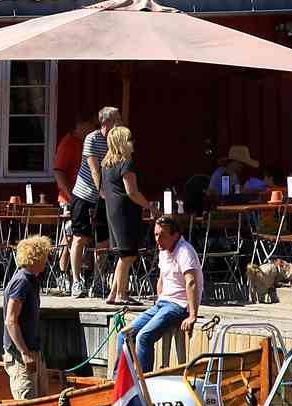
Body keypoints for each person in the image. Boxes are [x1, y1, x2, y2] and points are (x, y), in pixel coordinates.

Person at [128, 214, 201, 372]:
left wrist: (192, 315)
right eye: (155, 234)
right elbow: (162, 279)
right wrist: (159, 299)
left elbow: (192, 282)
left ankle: (144, 381)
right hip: (163, 303)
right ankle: (119, 382)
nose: (157, 240)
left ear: (175, 235)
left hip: (178, 305)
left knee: (144, 337)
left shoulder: (184, 252)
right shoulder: (163, 250)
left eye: (162, 236)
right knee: (126, 334)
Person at [63, 106, 116, 295]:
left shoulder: (115, 141)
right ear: (105, 122)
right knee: (80, 237)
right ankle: (77, 281)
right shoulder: (92, 138)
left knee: (103, 241)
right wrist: (102, 192)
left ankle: (98, 280)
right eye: (116, 120)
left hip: (105, 196)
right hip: (84, 194)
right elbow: (95, 169)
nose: (120, 123)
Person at [100, 125, 151, 305]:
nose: (132, 143)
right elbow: (132, 192)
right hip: (125, 212)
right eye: (129, 140)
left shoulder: (106, 164)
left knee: (124, 254)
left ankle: (114, 293)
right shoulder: (126, 163)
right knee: (128, 255)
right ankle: (121, 294)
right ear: (122, 143)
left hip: (112, 211)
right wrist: (151, 207)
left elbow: (102, 192)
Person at [3, 234, 53, 400]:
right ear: (37, 258)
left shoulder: (31, 280)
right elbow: (10, 320)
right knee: (27, 402)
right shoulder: (22, 282)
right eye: (45, 255)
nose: (46, 260)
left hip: (33, 351)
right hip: (20, 356)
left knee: (42, 400)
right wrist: (24, 353)